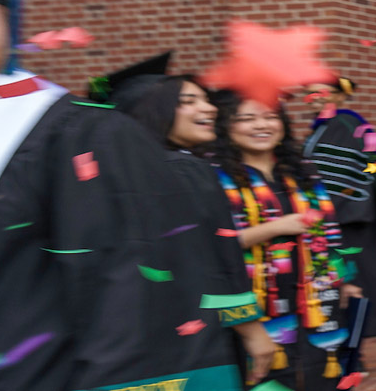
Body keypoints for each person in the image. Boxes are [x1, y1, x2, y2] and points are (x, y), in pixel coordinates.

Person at [0, 0, 262, 391]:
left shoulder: (72, 133)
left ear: (7, 24)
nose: (207, 110)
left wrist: (247, 325)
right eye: (186, 101)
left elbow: (129, 284)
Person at [103, 53, 282, 387]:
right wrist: (252, 330)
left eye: (205, 99)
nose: (210, 108)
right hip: (196, 335)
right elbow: (211, 258)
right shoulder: (186, 172)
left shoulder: (119, 175)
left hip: (135, 338)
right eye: (189, 101)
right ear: (154, 110)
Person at [205, 88, 363, 391]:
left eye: (270, 117)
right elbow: (212, 245)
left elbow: (329, 232)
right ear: (226, 125)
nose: (262, 126)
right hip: (254, 303)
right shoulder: (214, 177)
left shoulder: (301, 173)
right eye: (247, 119)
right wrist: (275, 227)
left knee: (324, 374)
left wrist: (344, 278)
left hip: (317, 299)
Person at [298, 77, 376, 344]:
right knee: (338, 282)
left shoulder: (348, 124)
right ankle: (346, 346)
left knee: (353, 284)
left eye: (321, 92)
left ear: (340, 96)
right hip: (335, 219)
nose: (314, 97)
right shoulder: (325, 127)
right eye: (309, 93)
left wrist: (329, 210)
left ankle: (354, 350)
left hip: (349, 220)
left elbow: (361, 171)